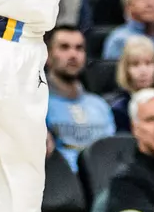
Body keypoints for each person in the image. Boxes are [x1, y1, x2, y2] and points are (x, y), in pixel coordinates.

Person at [43, 25, 114, 171]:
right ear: (48, 55)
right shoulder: (39, 105)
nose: (73, 54)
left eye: (79, 48)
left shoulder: (101, 105)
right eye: (64, 47)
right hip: (59, 186)